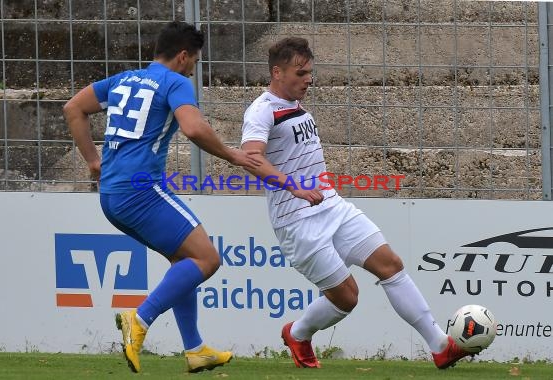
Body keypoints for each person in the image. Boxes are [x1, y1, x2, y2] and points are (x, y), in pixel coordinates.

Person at [240, 37, 470, 370]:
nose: (308, 79)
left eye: (310, 72)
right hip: (297, 221)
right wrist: (296, 189)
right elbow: (251, 159)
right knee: (347, 298)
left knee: (390, 264)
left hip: (331, 206)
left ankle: (439, 346)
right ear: (277, 72)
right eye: (300, 73)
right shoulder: (261, 111)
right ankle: (298, 333)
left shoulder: (297, 106)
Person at [64, 21, 261, 374]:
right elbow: (194, 127)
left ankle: (195, 349)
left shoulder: (123, 80)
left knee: (184, 261)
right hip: (140, 191)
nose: (193, 68)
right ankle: (139, 319)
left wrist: (94, 161)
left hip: (112, 194)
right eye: (195, 61)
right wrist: (233, 155)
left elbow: (72, 109)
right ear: (183, 56)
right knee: (208, 259)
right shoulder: (175, 82)